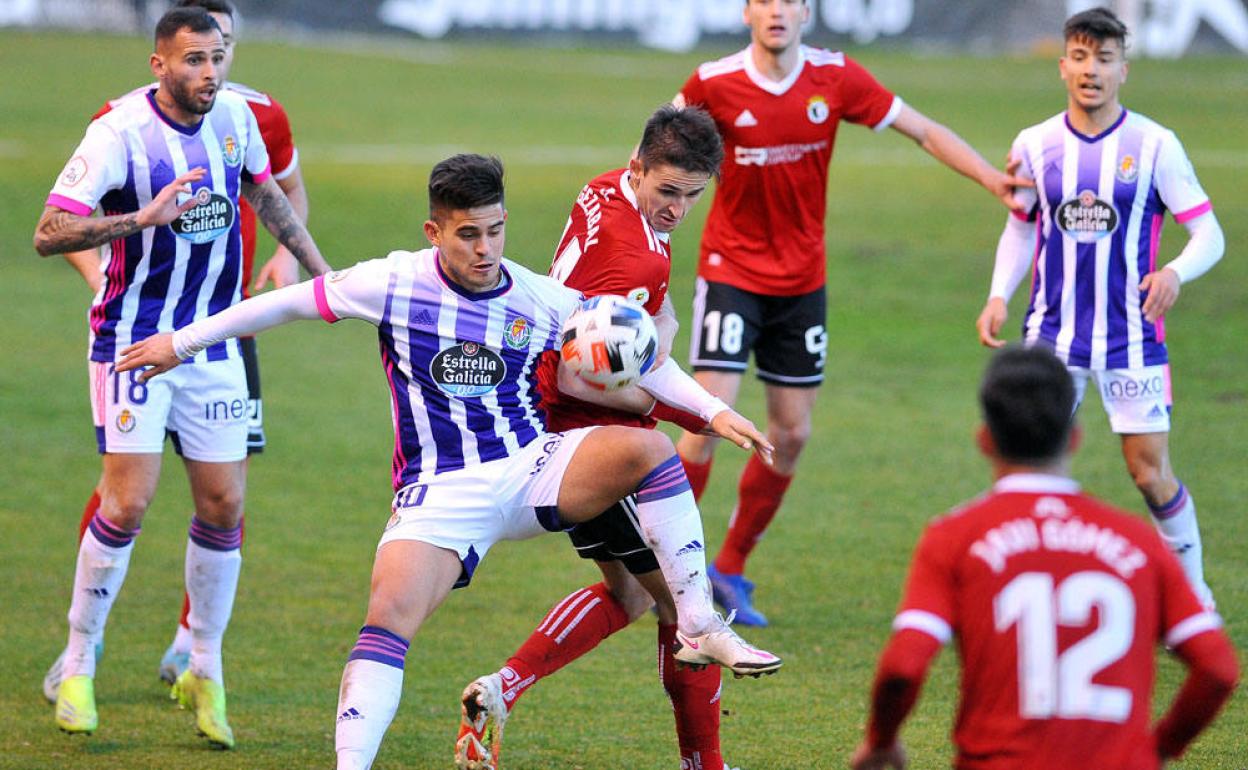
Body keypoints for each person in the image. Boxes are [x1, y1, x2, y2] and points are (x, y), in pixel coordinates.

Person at [115, 153, 782, 770]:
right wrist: (183, 342)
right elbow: (285, 303)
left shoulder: (535, 296)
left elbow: (647, 360)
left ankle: (698, 623)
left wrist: (713, 413)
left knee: (649, 448)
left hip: (531, 467)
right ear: (434, 231)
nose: (485, 249)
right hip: (441, 492)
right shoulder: (391, 282)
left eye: (494, 231)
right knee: (388, 619)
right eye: (467, 234)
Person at [671, 0, 1032, 627]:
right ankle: (674, 573)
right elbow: (656, 149)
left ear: (806, 11)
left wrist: (988, 179)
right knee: (706, 420)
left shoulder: (836, 77)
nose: (777, 11)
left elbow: (921, 128)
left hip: (802, 282)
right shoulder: (713, 82)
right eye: (765, 0)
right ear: (747, 11)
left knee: (792, 434)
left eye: (790, 0)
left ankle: (728, 568)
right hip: (730, 273)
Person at [33, 6, 331, 747]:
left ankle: (205, 665)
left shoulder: (238, 116)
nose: (210, 72)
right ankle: (77, 660)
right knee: (128, 502)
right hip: (133, 342)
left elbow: (265, 195)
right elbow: (49, 230)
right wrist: (142, 219)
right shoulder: (118, 134)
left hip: (213, 337)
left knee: (225, 504)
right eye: (194, 59)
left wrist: (327, 277)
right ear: (158, 63)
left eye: (218, 56)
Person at [454, 106, 739, 770]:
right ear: (640, 168)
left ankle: (500, 691)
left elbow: (655, 313)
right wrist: (662, 398)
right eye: (667, 191)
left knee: (631, 595)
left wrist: (654, 342)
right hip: (597, 435)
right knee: (687, 612)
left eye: (693, 195)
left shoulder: (610, 189)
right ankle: (707, 764)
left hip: (565, 422)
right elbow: (590, 374)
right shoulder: (627, 254)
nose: (678, 208)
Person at [848, 346, 1237, 770]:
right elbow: (1218, 668)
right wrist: (1157, 749)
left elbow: (904, 666)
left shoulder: (954, 538)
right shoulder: (1138, 542)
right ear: (1075, 438)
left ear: (985, 440)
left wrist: (881, 740)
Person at [975, 7, 1224, 608]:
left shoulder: (1156, 145)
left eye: (1105, 59)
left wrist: (1173, 271)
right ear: (1063, 66)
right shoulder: (1035, 144)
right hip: (1050, 339)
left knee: (1148, 473)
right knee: (1032, 467)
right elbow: (1021, 229)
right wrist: (997, 295)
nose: (1092, 70)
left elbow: (1209, 234)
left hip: (1132, 339)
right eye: (1081, 57)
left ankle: (1192, 595)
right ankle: (1032, 589)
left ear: (1123, 70)